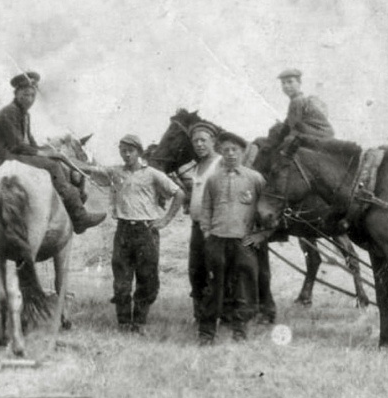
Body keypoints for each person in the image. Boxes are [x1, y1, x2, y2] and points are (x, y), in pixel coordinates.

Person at [81, 135, 184, 333]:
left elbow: (178, 193)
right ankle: (123, 324)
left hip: (146, 231)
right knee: (121, 280)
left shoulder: (152, 174)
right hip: (123, 231)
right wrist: (62, 158)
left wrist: (165, 220)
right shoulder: (115, 172)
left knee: (147, 279)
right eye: (123, 150)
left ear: (139, 152)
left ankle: (139, 323)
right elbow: (90, 169)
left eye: (130, 151)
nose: (126, 154)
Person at [0, 71, 106, 234]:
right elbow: (17, 146)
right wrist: (47, 155)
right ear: (17, 93)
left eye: (33, 95)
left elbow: (31, 143)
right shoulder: (9, 112)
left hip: (12, 155)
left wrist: (50, 151)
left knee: (57, 159)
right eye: (26, 94)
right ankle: (79, 216)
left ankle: (68, 202)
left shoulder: (24, 115)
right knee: (52, 165)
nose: (30, 99)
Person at [198, 131, 266, 344]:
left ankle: (240, 331)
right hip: (217, 239)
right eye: (225, 150)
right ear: (221, 153)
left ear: (242, 152)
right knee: (213, 288)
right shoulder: (213, 179)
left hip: (243, 242)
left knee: (243, 286)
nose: (230, 154)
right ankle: (207, 333)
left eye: (234, 150)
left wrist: (261, 235)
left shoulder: (255, 179)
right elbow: (206, 208)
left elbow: (267, 209)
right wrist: (207, 231)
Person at [185, 122, 223, 321]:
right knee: (196, 271)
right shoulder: (197, 165)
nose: (199, 144)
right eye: (195, 141)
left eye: (203, 140)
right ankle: (199, 315)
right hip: (196, 227)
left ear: (213, 141)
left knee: (214, 272)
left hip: (215, 229)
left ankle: (216, 316)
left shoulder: (221, 163)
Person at [278, 68, 334, 138]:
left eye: (290, 82)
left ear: (299, 83)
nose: (286, 86)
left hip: (319, 136)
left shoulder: (297, 101)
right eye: (283, 83)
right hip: (323, 134)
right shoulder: (301, 100)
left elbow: (293, 127)